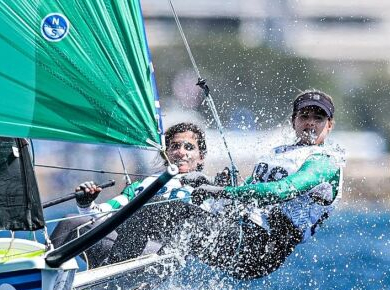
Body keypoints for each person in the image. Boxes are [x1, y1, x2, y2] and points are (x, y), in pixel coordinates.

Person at [190, 89, 346, 279]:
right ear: (293, 121)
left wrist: (222, 191)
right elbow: (247, 191)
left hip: (262, 249)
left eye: (318, 118)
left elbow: (281, 191)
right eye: (304, 116)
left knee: (179, 221)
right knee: (174, 210)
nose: (310, 122)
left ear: (329, 125)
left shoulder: (325, 162)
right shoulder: (278, 153)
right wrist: (211, 185)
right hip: (242, 229)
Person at [49, 122, 226, 267]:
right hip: (120, 249)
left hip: (160, 256)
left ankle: (111, 275)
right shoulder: (141, 185)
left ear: (201, 156)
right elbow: (101, 215)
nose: (181, 152)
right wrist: (86, 203)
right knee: (70, 221)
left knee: (152, 206)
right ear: (166, 153)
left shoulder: (207, 186)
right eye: (175, 146)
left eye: (189, 147)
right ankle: (42, 278)